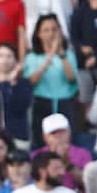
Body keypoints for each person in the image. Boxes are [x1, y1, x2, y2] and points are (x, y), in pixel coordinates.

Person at [24, 14, 78, 147]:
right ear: (39, 34)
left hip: (64, 102)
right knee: (41, 142)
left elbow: (71, 78)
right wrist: (49, 57)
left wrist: (61, 55)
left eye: (54, 29)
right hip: (42, 103)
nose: (51, 34)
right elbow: (31, 81)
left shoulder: (68, 55)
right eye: (46, 30)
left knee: (68, 143)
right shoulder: (32, 57)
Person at [33, 112, 93, 193]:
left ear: (69, 132)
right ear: (45, 137)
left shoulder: (83, 154)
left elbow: (89, 183)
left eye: (62, 132)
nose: (59, 136)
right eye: (53, 133)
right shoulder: (36, 156)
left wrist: (68, 165)